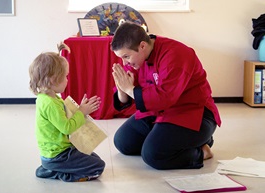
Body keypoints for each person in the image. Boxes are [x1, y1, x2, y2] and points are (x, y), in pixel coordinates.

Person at [111, 22, 221, 170]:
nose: (125, 62)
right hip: (158, 111)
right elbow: (129, 93)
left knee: (153, 155)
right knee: (123, 142)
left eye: (126, 56)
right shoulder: (138, 58)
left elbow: (165, 97)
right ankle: (172, 138)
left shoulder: (176, 54)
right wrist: (122, 89)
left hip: (193, 114)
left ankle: (201, 150)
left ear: (142, 46)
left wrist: (129, 89)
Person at [29, 43, 105, 182]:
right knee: (98, 166)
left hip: (58, 152)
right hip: (58, 155)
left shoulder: (49, 98)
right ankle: (56, 172)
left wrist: (81, 109)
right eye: (65, 76)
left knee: (94, 158)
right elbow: (67, 127)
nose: (67, 80)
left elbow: (65, 119)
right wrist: (81, 112)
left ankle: (49, 167)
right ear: (52, 79)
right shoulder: (50, 104)